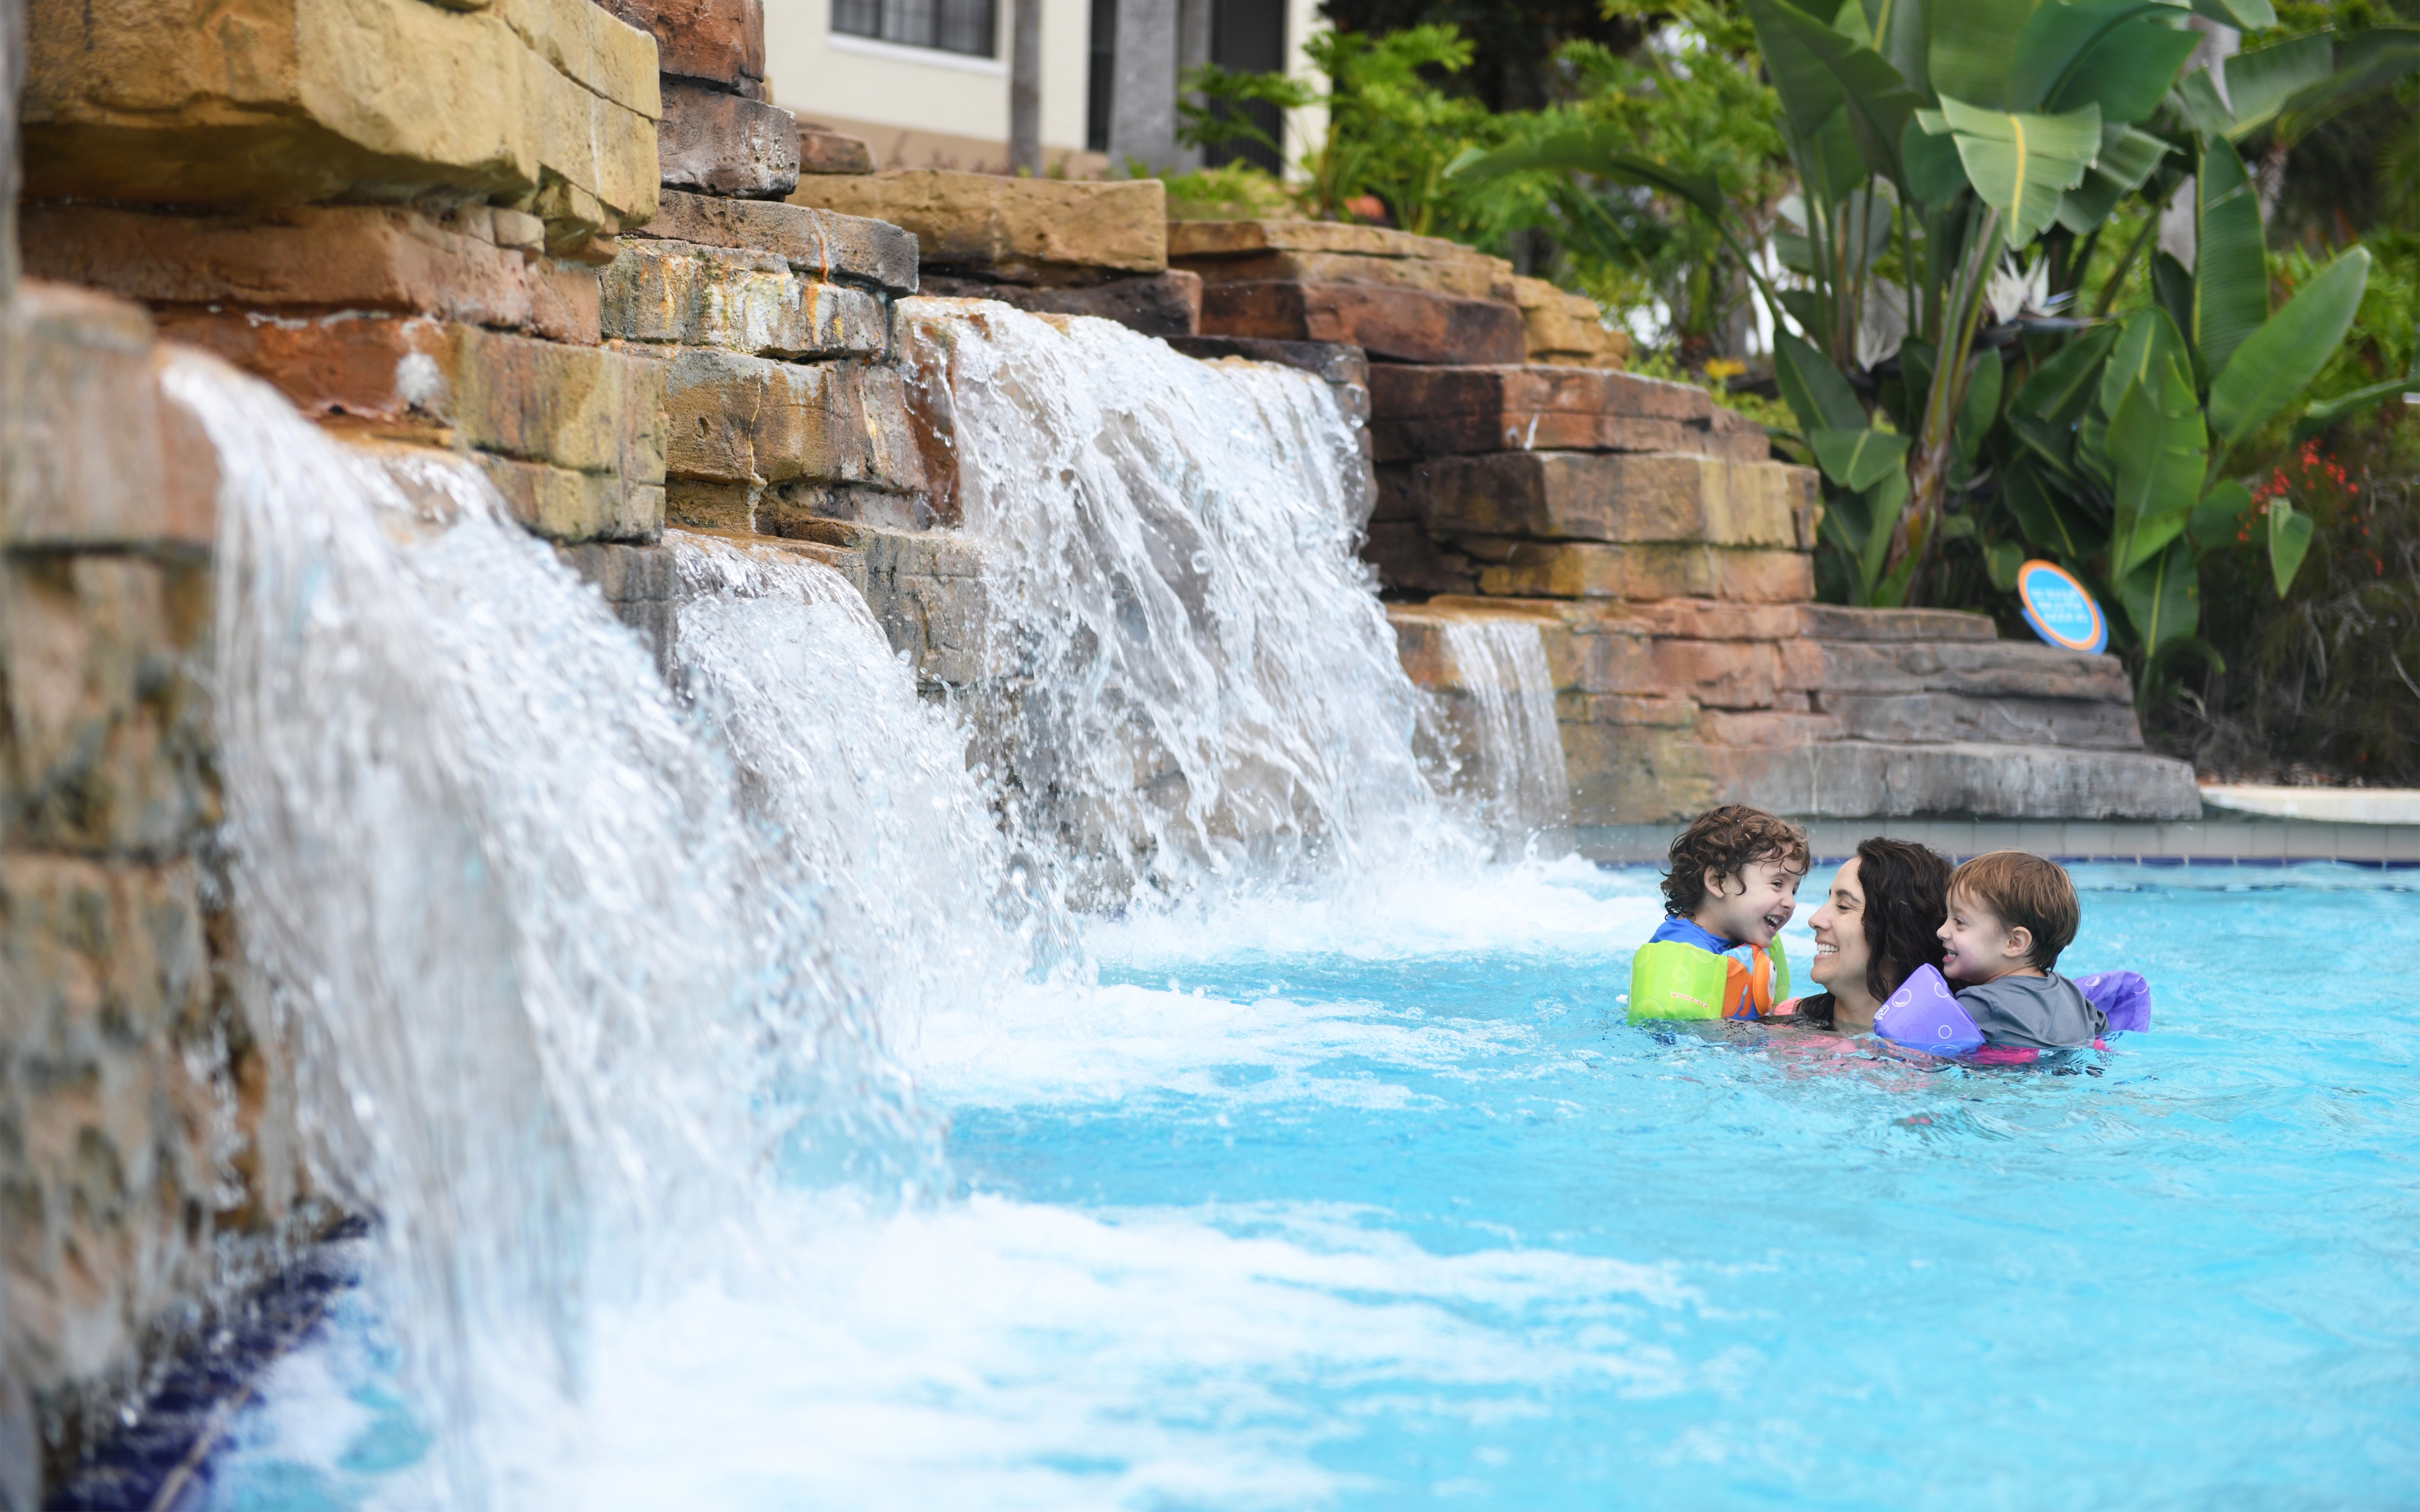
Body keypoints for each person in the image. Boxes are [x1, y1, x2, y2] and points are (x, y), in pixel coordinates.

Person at [1628, 805, 1808, 1021]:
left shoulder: (1743, 939)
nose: (1791, 903)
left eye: (1794, 891)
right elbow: (1678, 1040)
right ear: (1718, 882)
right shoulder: (1681, 949)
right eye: (1777, 883)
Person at [1937, 850, 2105, 1049]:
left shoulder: (1979, 1005)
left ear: (2014, 943)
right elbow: (2103, 1036)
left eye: (1960, 922)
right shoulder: (2074, 996)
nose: (1941, 931)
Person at [1786, 838, 1954, 1035]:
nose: (1815, 920)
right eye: (1829, 900)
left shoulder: (1941, 1046)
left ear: (1897, 939)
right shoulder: (1786, 1020)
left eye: (1843, 906)